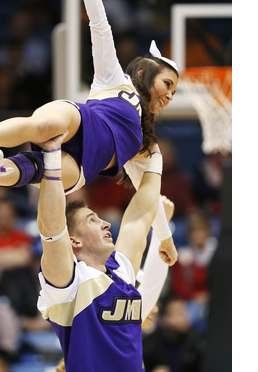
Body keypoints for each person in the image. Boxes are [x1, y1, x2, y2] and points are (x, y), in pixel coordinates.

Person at [0, 0, 179, 264]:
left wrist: (166, 240)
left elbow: (149, 201)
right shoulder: (114, 79)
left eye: (174, 92)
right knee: (44, 126)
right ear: (144, 72)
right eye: (167, 84)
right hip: (81, 120)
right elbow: (100, 26)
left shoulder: (148, 147)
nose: (170, 95)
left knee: (44, 173)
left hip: (85, 165)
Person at [34, 124, 170, 372]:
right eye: (92, 220)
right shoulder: (68, 283)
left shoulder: (121, 270)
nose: (106, 223)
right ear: (74, 241)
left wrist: (154, 157)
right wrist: (52, 156)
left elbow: (140, 216)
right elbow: (51, 228)